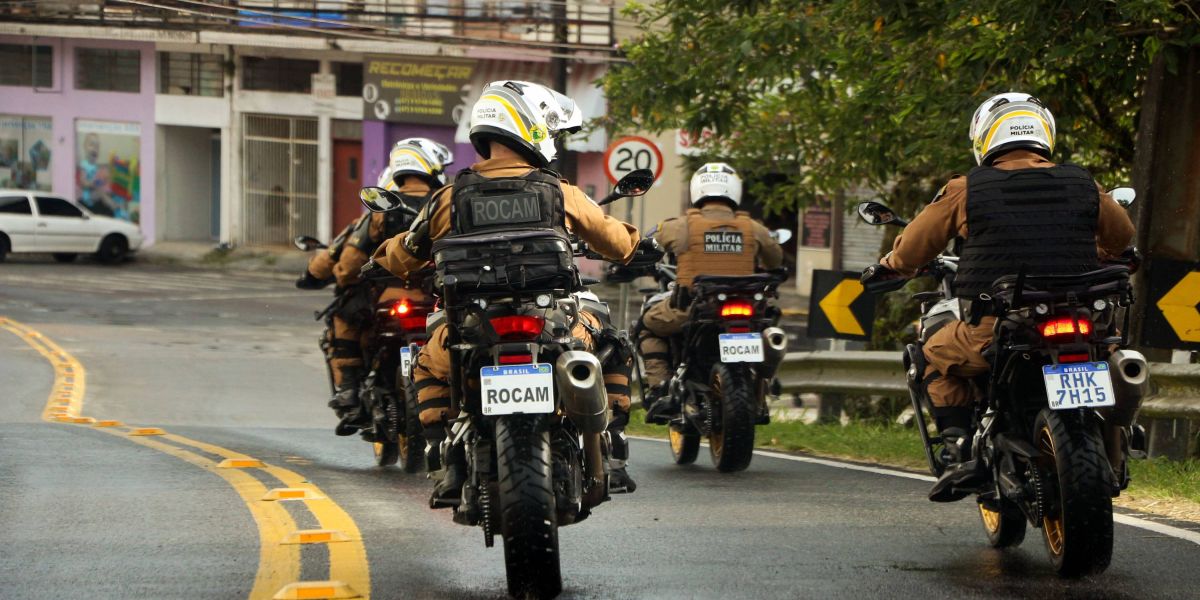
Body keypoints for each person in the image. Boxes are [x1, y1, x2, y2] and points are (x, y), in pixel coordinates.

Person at [372, 80, 652, 501]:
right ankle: (611, 449)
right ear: (532, 127)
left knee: (425, 364)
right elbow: (617, 242)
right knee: (612, 341)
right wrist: (637, 245)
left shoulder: (449, 198)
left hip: (470, 330)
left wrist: (379, 258)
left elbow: (405, 254)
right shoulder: (558, 190)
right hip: (553, 325)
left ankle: (442, 460)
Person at [860, 92, 1136, 501]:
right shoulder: (1083, 183)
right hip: (1085, 322)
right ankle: (1119, 441)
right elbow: (1121, 238)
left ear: (984, 138)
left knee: (930, 351)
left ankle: (956, 448)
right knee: (1111, 353)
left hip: (1001, 328)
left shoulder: (965, 188)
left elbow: (914, 250)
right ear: (1044, 134)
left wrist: (891, 265)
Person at [297, 138, 453, 434]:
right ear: (428, 165)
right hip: (438, 295)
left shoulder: (381, 210)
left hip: (389, 296)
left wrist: (347, 278)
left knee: (343, 320)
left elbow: (348, 264)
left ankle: (350, 392)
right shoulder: (446, 203)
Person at [637, 162, 784, 423]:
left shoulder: (680, 226)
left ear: (698, 191)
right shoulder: (753, 228)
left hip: (693, 310)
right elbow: (776, 260)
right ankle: (762, 390)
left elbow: (647, 244)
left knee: (648, 324)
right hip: (745, 311)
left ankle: (660, 390)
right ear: (734, 192)